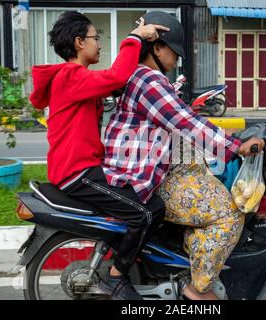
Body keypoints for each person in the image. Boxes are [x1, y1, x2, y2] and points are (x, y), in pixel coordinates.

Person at [102, 11, 265, 300]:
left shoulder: (144, 78)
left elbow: (183, 118)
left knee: (211, 183)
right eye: (174, 51)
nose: (176, 59)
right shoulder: (148, 81)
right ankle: (197, 288)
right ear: (157, 48)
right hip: (145, 176)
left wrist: (229, 138)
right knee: (228, 213)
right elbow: (185, 123)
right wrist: (233, 146)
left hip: (157, 167)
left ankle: (193, 258)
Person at [29, 11, 170, 300]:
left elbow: (118, 81)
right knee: (147, 212)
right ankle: (117, 278)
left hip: (86, 167)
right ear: (79, 42)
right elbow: (116, 75)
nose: (100, 44)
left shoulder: (78, 78)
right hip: (76, 173)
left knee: (147, 200)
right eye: (96, 38)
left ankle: (125, 265)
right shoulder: (70, 76)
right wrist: (135, 38)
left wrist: (142, 45)